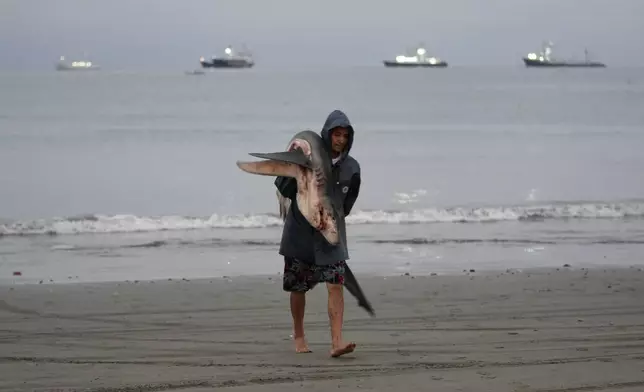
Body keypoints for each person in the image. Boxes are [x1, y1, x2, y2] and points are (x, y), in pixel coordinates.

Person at [274, 109, 361, 357]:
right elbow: (283, 186)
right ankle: (299, 336)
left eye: (345, 136)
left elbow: (348, 203)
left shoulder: (352, 168)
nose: (340, 140)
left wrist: (329, 220)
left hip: (330, 236)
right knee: (298, 288)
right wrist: (296, 165)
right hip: (300, 234)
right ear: (327, 134)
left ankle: (337, 342)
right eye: (336, 135)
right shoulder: (308, 157)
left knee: (336, 285)